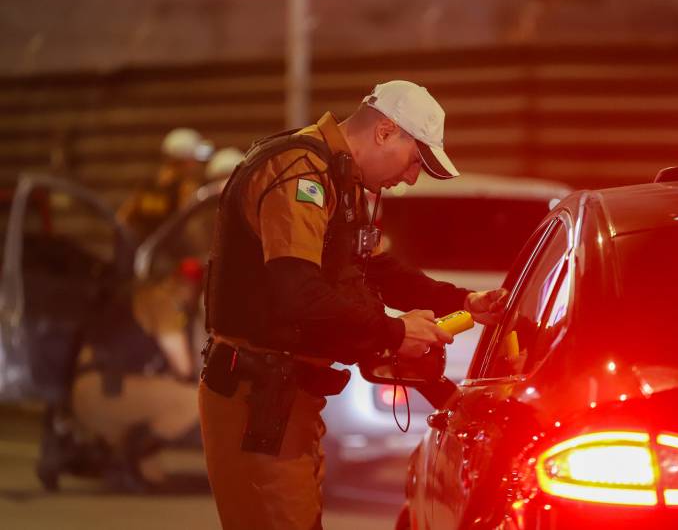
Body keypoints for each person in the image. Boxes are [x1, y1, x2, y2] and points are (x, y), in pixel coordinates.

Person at [199, 80, 508, 529]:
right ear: (385, 132)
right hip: (258, 398)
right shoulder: (299, 171)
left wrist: (463, 300)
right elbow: (298, 292)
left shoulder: (338, 180)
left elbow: (376, 271)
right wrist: (395, 332)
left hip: (287, 397)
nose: (410, 177)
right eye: (415, 160)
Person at [37, 259, 204, 492]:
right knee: (196, 402)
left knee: (154, 474)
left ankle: (75, 448)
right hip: (105, 392)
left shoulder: (134, 296)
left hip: (93, 389)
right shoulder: (163, 301)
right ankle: (125, 462)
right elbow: (184, 367)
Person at [118, 128, 211, 240]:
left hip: (145, 253)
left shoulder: (147, 186)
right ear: (188, 162)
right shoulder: (185, 189)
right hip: (172, 254)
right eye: (195, 161)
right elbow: (192, 229)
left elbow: (122, 220)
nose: (198, 166)